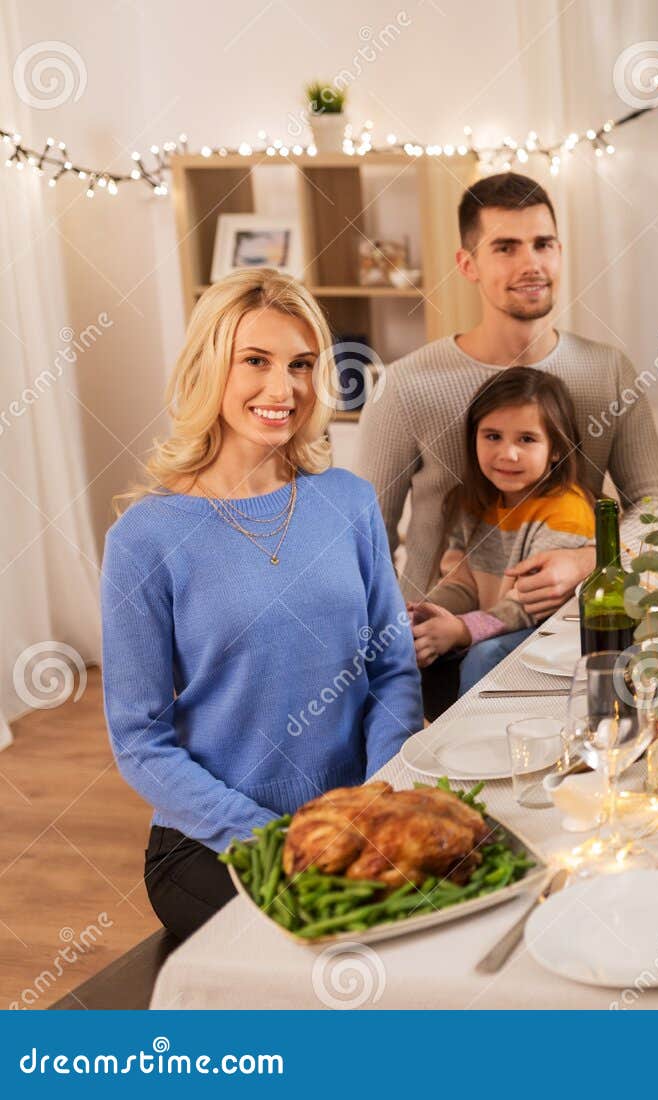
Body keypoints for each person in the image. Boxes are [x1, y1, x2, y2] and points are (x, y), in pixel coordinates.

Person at [100, 269, 422, 940]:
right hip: (217, 843)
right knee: (326, 953)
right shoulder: (146, 538)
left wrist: (373, 801)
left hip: (353, 822)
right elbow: (139, 741)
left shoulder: (349, 501)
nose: (285, 389)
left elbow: (392, 670)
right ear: (209, 367)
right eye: (256, 361)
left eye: (302, 365)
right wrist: (273, 837)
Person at [357, 171, 658, 613]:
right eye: (505, 248)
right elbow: (366, 542)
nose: (531, 264)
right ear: (468, 264)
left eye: (543, 244)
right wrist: (392, 654)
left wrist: (588, 560)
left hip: (572, 634)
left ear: (560, 253)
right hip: (437, 648)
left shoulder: (609, 371)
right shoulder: (405, 385)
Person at [411, 368, 594, 717]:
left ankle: (469, 745)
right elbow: (463, 581)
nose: (507, 454)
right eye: (492, 436)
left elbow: (526, 606)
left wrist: (462, 630)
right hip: (491, 624)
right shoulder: (471, 503)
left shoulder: (566, 509)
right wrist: (430, 611)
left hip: (544, 639)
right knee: (411, 640)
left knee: (485, 655)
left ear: (556, 450)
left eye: (526, 439)